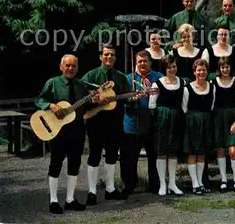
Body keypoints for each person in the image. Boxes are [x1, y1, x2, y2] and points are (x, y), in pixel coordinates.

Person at [35, 55, 94, 214]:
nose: (70, 68)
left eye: (73, 66)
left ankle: (70, 199)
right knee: (56, 163)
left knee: (74, 163)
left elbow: (88, 105)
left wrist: (95, 98)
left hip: (77, 129)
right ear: (61, 67)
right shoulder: (53, 83)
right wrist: (50, 105)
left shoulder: (81, 85)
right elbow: (39, 100)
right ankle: (53, 200)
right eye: (67, 65)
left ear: (77, 68)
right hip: (57, 130)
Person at [82, 44, 130, 205]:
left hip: (115, 121)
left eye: (112, 55)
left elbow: (127, 96)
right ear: (100, 56)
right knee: (94, 154)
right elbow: (81, 95)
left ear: (115, 58)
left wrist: (133, 98)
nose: (109, 57)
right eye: (106, 54)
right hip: (95, 120)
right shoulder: (91, 75)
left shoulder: (121, 77)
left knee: (112, 154)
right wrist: (94, 98)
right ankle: (92, 191)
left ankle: (110, 188)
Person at [120, 50, 161, 197]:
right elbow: (121, 101)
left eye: (145, 61)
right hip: (132, 124)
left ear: (150, 62)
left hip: (152, 124)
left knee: (154, 157)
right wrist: (132, 99)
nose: (142, 64)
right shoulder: (128, 78)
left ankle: (156, 184)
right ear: (136, 63)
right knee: (129, 158)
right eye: (139, 61)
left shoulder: (158, 77)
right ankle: (129, 185)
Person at [148, 55, 186, 196]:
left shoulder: (182, 82)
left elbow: (184, 104)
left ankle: (172, 184)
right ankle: (162, 184)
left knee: (173, 152)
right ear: (164, 68)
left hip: (176, 120)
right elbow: (151, 106)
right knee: (162, 152)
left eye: (174, 66)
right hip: (161, 121)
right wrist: (161, 117)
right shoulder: (157, 84)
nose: (172, 69)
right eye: (169, 67)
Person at [182, 59, 215, 195]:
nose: (201, 72)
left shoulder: (212, 87)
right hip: (192, 122)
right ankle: (195, 183)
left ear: (207, 72)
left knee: (201, 153)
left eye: (204, 70)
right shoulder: (187, 88)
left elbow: (212, 105)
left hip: (206, 121)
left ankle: (200, 182)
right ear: (194, 72)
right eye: (199, 70)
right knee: (192, 153)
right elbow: (184, 107)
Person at [212, 57, 235, 193]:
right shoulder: (213, 82)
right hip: (218, 117)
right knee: (219, 149)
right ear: (219, 69)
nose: (225, 69)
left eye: (227, 67)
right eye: (222, 67)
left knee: (232, 150)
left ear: (231, 68)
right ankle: (223, 180)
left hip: (232, 117)